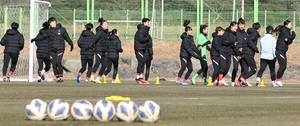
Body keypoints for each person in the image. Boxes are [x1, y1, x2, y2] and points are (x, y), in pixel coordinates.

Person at [47, 17, 74, 83]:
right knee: (53, 64)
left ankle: (61, 77)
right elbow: (43, 38)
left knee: (58, 62)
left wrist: (71, 44)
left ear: (54, 22)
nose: (50, 24)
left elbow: (67, 37)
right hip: (51, 49)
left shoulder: (62, 30)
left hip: (60, 48)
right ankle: (57, 77)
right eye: (49, 23)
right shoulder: (48, 31)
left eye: (51, 23)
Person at [176, 20, 201, 85]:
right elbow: (188, 49)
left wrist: (198, 52)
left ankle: (184, 81)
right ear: (186, 31)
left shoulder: (191, 38)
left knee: (190, 69)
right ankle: (178, 80)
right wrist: (196, 56)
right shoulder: (185, 39)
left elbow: (193, 47)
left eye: (191, 30)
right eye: (189, 30)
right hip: (184, 55)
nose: (191, 31)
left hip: (188, 56)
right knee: (183, 67)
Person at [237, 22, 261, 87]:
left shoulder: (248, 34)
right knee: (254, 69)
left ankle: (238, 82)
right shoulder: (255, 33)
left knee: (245, 70)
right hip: (248, 54)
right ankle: (243, 78)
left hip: (244, 53)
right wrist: (255, 49)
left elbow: (246, 42)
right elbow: (250, 41)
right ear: (258, 28)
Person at [274, 20, 296, 86]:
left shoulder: (287, 31)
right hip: (279, 50)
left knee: (284, 66)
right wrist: (293, 35)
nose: (291, 25)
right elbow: (290, 38)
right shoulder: (284, 29)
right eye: (290, 24)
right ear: (286, 25)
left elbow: (289, 41)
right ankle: (277, 80)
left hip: (283, 50)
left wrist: (289, 39)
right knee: (282, 65)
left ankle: (279, 79)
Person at [217, 21, 238, 86]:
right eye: (235, 26)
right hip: (223, 51)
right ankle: (220, 81)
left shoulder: (235, 34)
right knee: (223, 66)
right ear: (232, 26)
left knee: (227, 67)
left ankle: (218, 80)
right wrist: (231, 42)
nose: (236, 28)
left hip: (229, 52)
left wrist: (237, 53)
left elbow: (234, 44)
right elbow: (223, 41)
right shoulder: (227, 33)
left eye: (237, 26)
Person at [89, 18, 109, 83]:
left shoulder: (107, 33)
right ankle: (92, 77)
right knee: (97, 63)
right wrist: (90, 46)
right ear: (101, 25)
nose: (107, 25)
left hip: (104, 51)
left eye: (107, 24)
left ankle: (98, 78)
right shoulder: (99, 32)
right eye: (105, 24)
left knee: (104, 65)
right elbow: (94, 40)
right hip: (99, 50)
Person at [134, 18, 152, 84]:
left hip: (143, 49)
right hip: (139, 49)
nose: (149, 24)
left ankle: (141, 77)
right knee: (141, 62)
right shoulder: (141, 30)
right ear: (144, 23)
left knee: (143, 62)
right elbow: (141, 39)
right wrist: (148, 37)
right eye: (148, 22)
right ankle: (138, 77)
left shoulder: (145, 30)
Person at [232, 18, 247, 86]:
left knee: (244, 68)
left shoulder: (245, 34)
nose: (241, 26)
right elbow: (234, 43)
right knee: (235, 67)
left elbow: (246, 43)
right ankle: (232, 81)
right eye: (240, 24)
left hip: (243, 53)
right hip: (236, 53)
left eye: (242, 24)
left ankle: (239, 81)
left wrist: (243, 48)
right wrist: (238, 49)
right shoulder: (235, 33)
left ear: (244, 25)